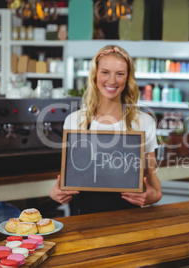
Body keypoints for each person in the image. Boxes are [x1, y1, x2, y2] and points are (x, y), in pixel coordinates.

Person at [50, 45, 162, 215]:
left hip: (129, 218)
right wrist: (55, 193)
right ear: (95, 75)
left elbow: (153, 181)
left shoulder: (144, 122)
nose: (112, 80)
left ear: (128, 78)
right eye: (105, 72)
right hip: (83, 219)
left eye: (120, 74)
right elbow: (69, 176)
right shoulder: (74, 121)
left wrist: (154, 196)